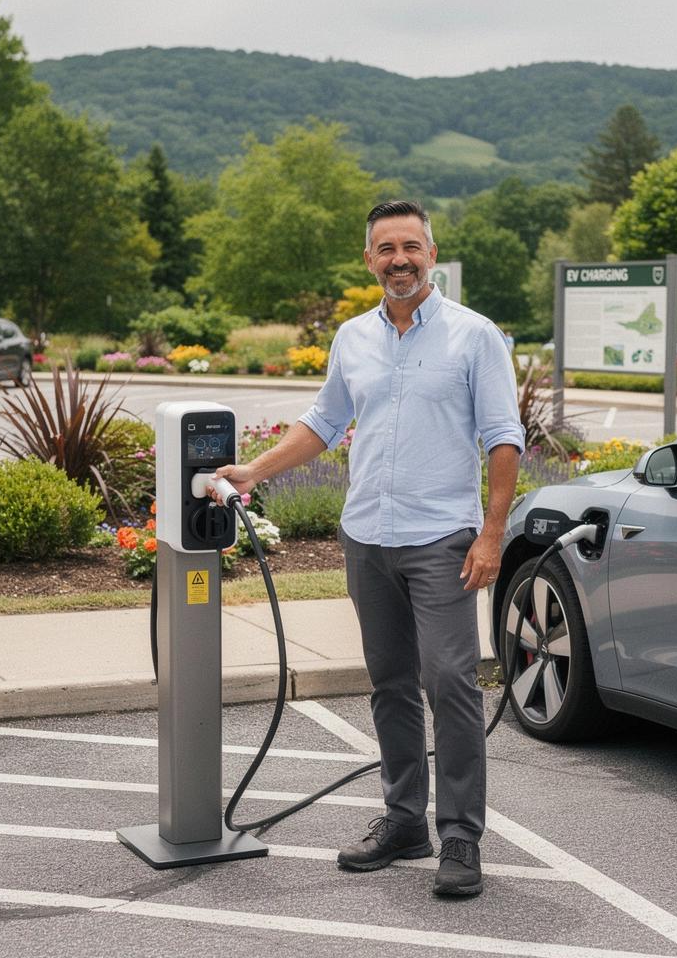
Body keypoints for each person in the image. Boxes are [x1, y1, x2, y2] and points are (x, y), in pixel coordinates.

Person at [214, 200, 523, 897]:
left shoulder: (475, 338)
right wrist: (254, 471)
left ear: (432, 254)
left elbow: (504, 438)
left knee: (449, 682)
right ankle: (404, 821)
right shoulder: (353, 337)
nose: (400, 261)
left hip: (443, 538)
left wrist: (493, 535)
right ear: (369, 261)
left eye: (411, 247)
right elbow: (323, 422)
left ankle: (463, 839)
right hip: (367, 538)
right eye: (386, 249)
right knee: (389, 685)